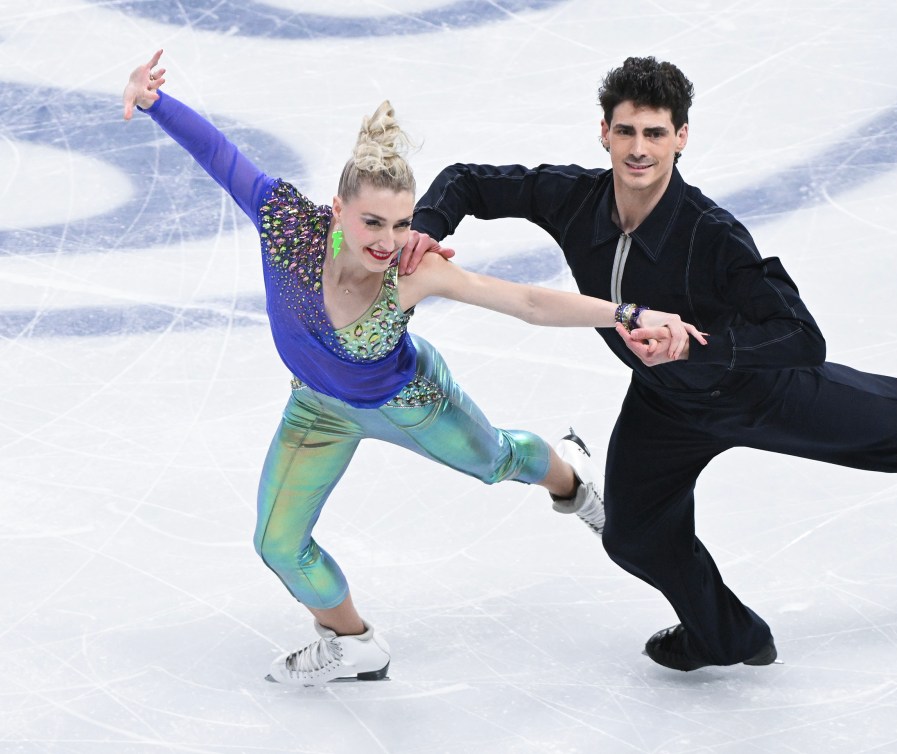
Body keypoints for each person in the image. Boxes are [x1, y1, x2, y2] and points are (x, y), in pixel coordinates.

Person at [408, 56, 897, 672]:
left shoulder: (709, 234)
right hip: (665, 405)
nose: (638, 148)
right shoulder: (572, 197)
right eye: (625, 130)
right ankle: (724, 634)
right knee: (631, 535)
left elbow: (801, 336)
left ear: (681, 137)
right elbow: (469, 180)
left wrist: (699, 344)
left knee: (896, 426)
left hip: (760, 389)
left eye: (655, 132)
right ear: (603, 132)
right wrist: (426, 229)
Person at [121, 50, 704, 685]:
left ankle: (574, 480)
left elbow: (529, 302)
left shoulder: (412, 268)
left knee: (499, 461)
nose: (388, 240)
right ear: (337, 209)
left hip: (411, 400)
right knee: (277, 544)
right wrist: (154, 102)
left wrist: (626, 312)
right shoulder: (287, 225)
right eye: (372, 221)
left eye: (401, 223)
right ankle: (354, 643)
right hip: (318, 407)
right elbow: (219, 155)